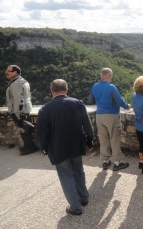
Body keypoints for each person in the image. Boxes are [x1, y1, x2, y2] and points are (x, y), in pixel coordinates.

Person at [36, 79, 94, 215]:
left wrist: (43, 148)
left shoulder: (45, 108)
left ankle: (75, 207)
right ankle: (84, 198)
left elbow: (41, 133)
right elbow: (88, 126)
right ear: (66, 90)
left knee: (66, 175)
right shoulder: (78, 103)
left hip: (58, 148)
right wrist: (89, 142)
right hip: (76, 145)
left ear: (52, 92)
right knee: (78, 171)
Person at [88, 68, 131, 171]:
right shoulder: (111, 87)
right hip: (111, 115)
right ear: (109, 76)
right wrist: (127, 106)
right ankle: (117, 163)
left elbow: (90, 100)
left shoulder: (95, 86)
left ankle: (105, 161)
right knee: (114, 138)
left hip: (99, 116)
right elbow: (119, 101)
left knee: (103, 139)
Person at [5, 64, 39, 156]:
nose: (6, 72)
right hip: (26, 109)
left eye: (9, 71)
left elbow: (18, 100)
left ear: (15, 72)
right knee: (25, 128)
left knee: (23, 129)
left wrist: (18, 113)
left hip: (19, 111)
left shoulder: (15, 84)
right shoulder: (23, 81)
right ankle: (29, 146)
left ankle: (29, 148)